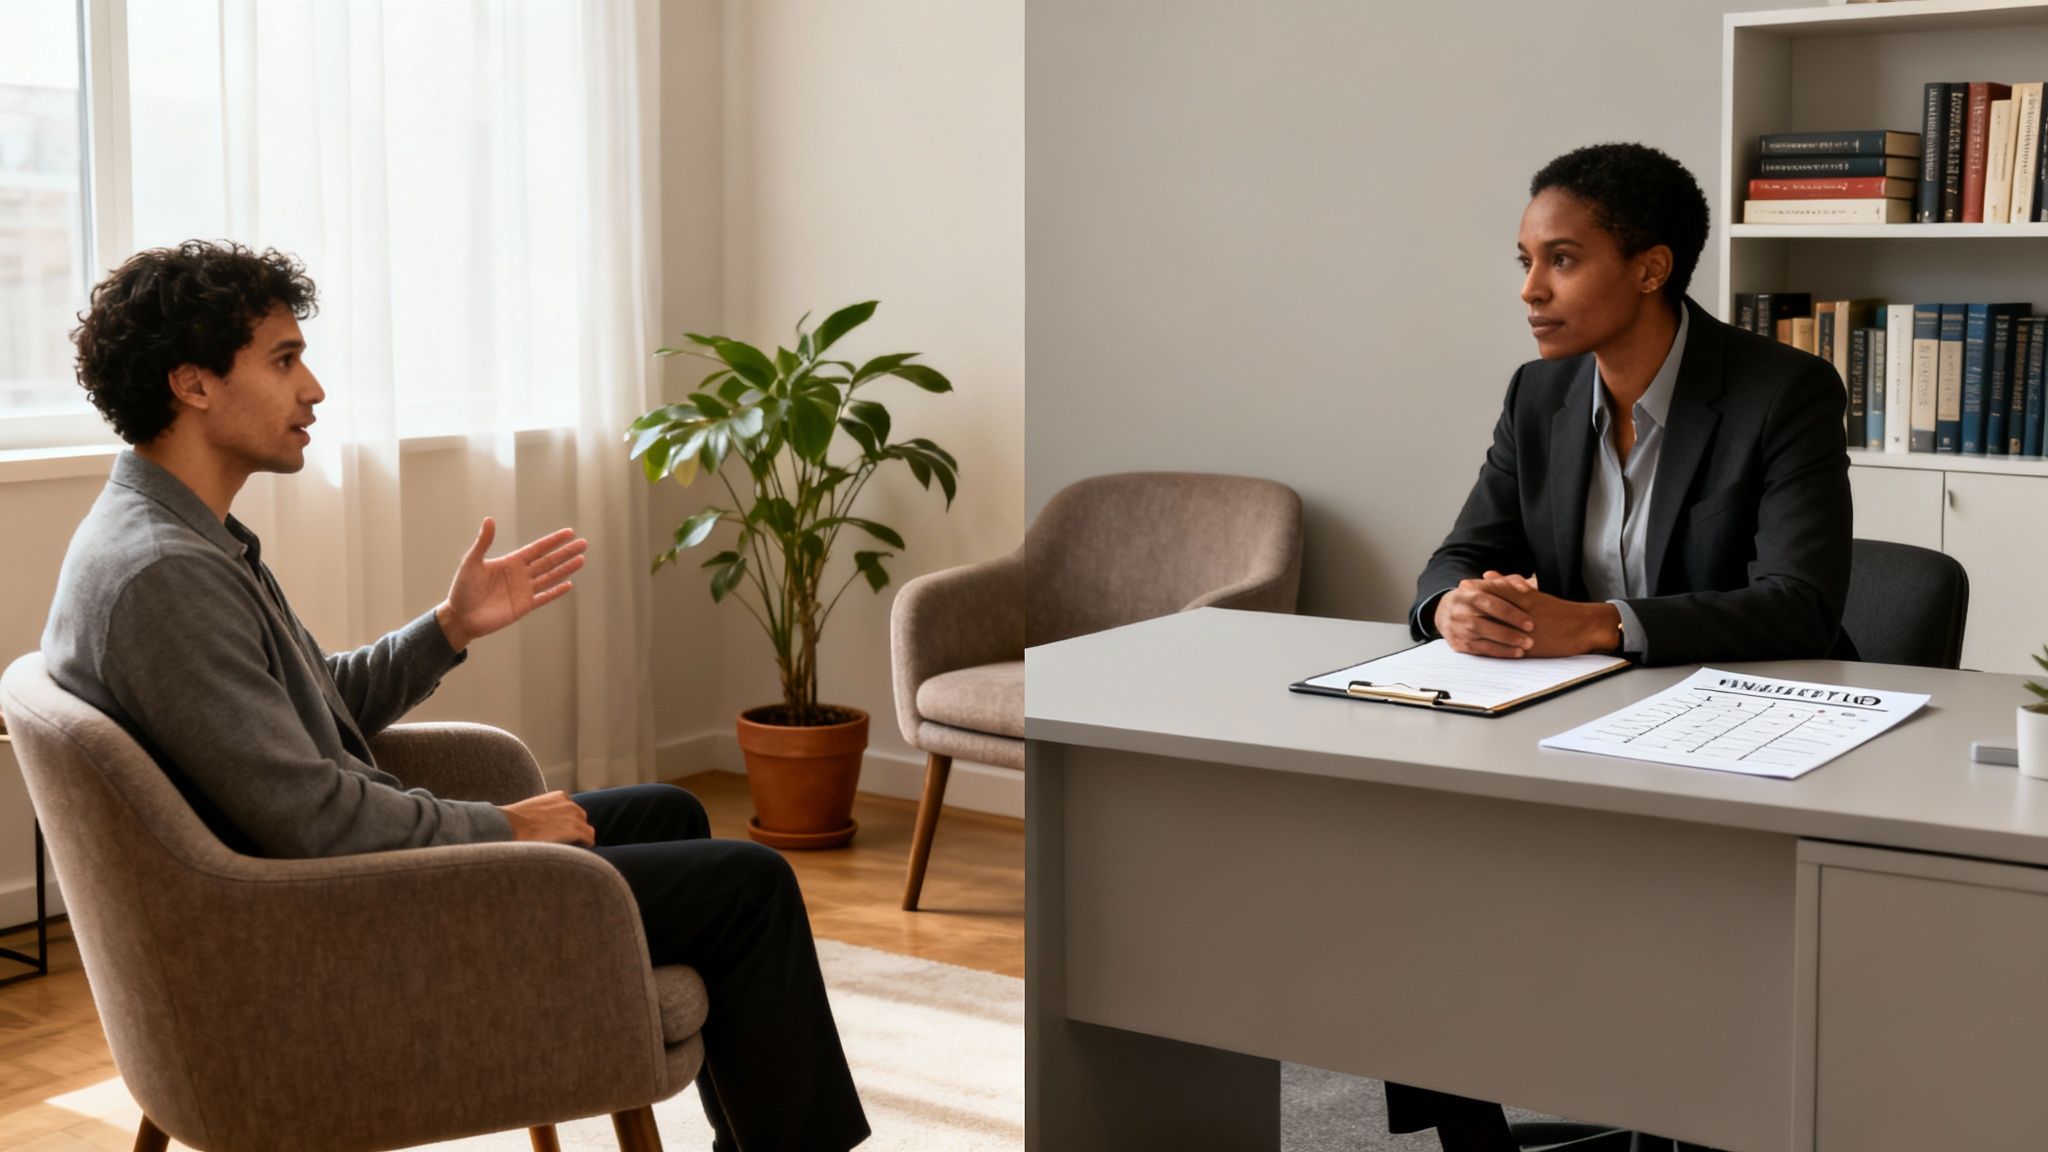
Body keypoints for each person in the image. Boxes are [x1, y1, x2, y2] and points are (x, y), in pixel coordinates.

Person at [44, 240, 869, 1152]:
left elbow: (318, 711)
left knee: (669, 811)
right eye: (284, 360)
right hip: (324, 926)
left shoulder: (184, 538)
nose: (313, 388)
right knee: (750, 887)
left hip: (329, 880)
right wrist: (503, 829)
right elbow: (312, 820)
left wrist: (449, 626)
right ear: (192, 383)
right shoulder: (165, 575)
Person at [1390, 143, 1853, 1151]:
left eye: (1559, 259)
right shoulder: (1538, 394)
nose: (1528, 289)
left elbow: (1801, 605)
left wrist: (1598, 623)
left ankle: (1698, 1104)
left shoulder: (1782, 392)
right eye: (1522, 259)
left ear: (1647, 268)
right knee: (1412, 878)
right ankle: (1474, 1121)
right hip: (1562, 727)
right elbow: (1461, 549)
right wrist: (1449, 609)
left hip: (1737, 742)